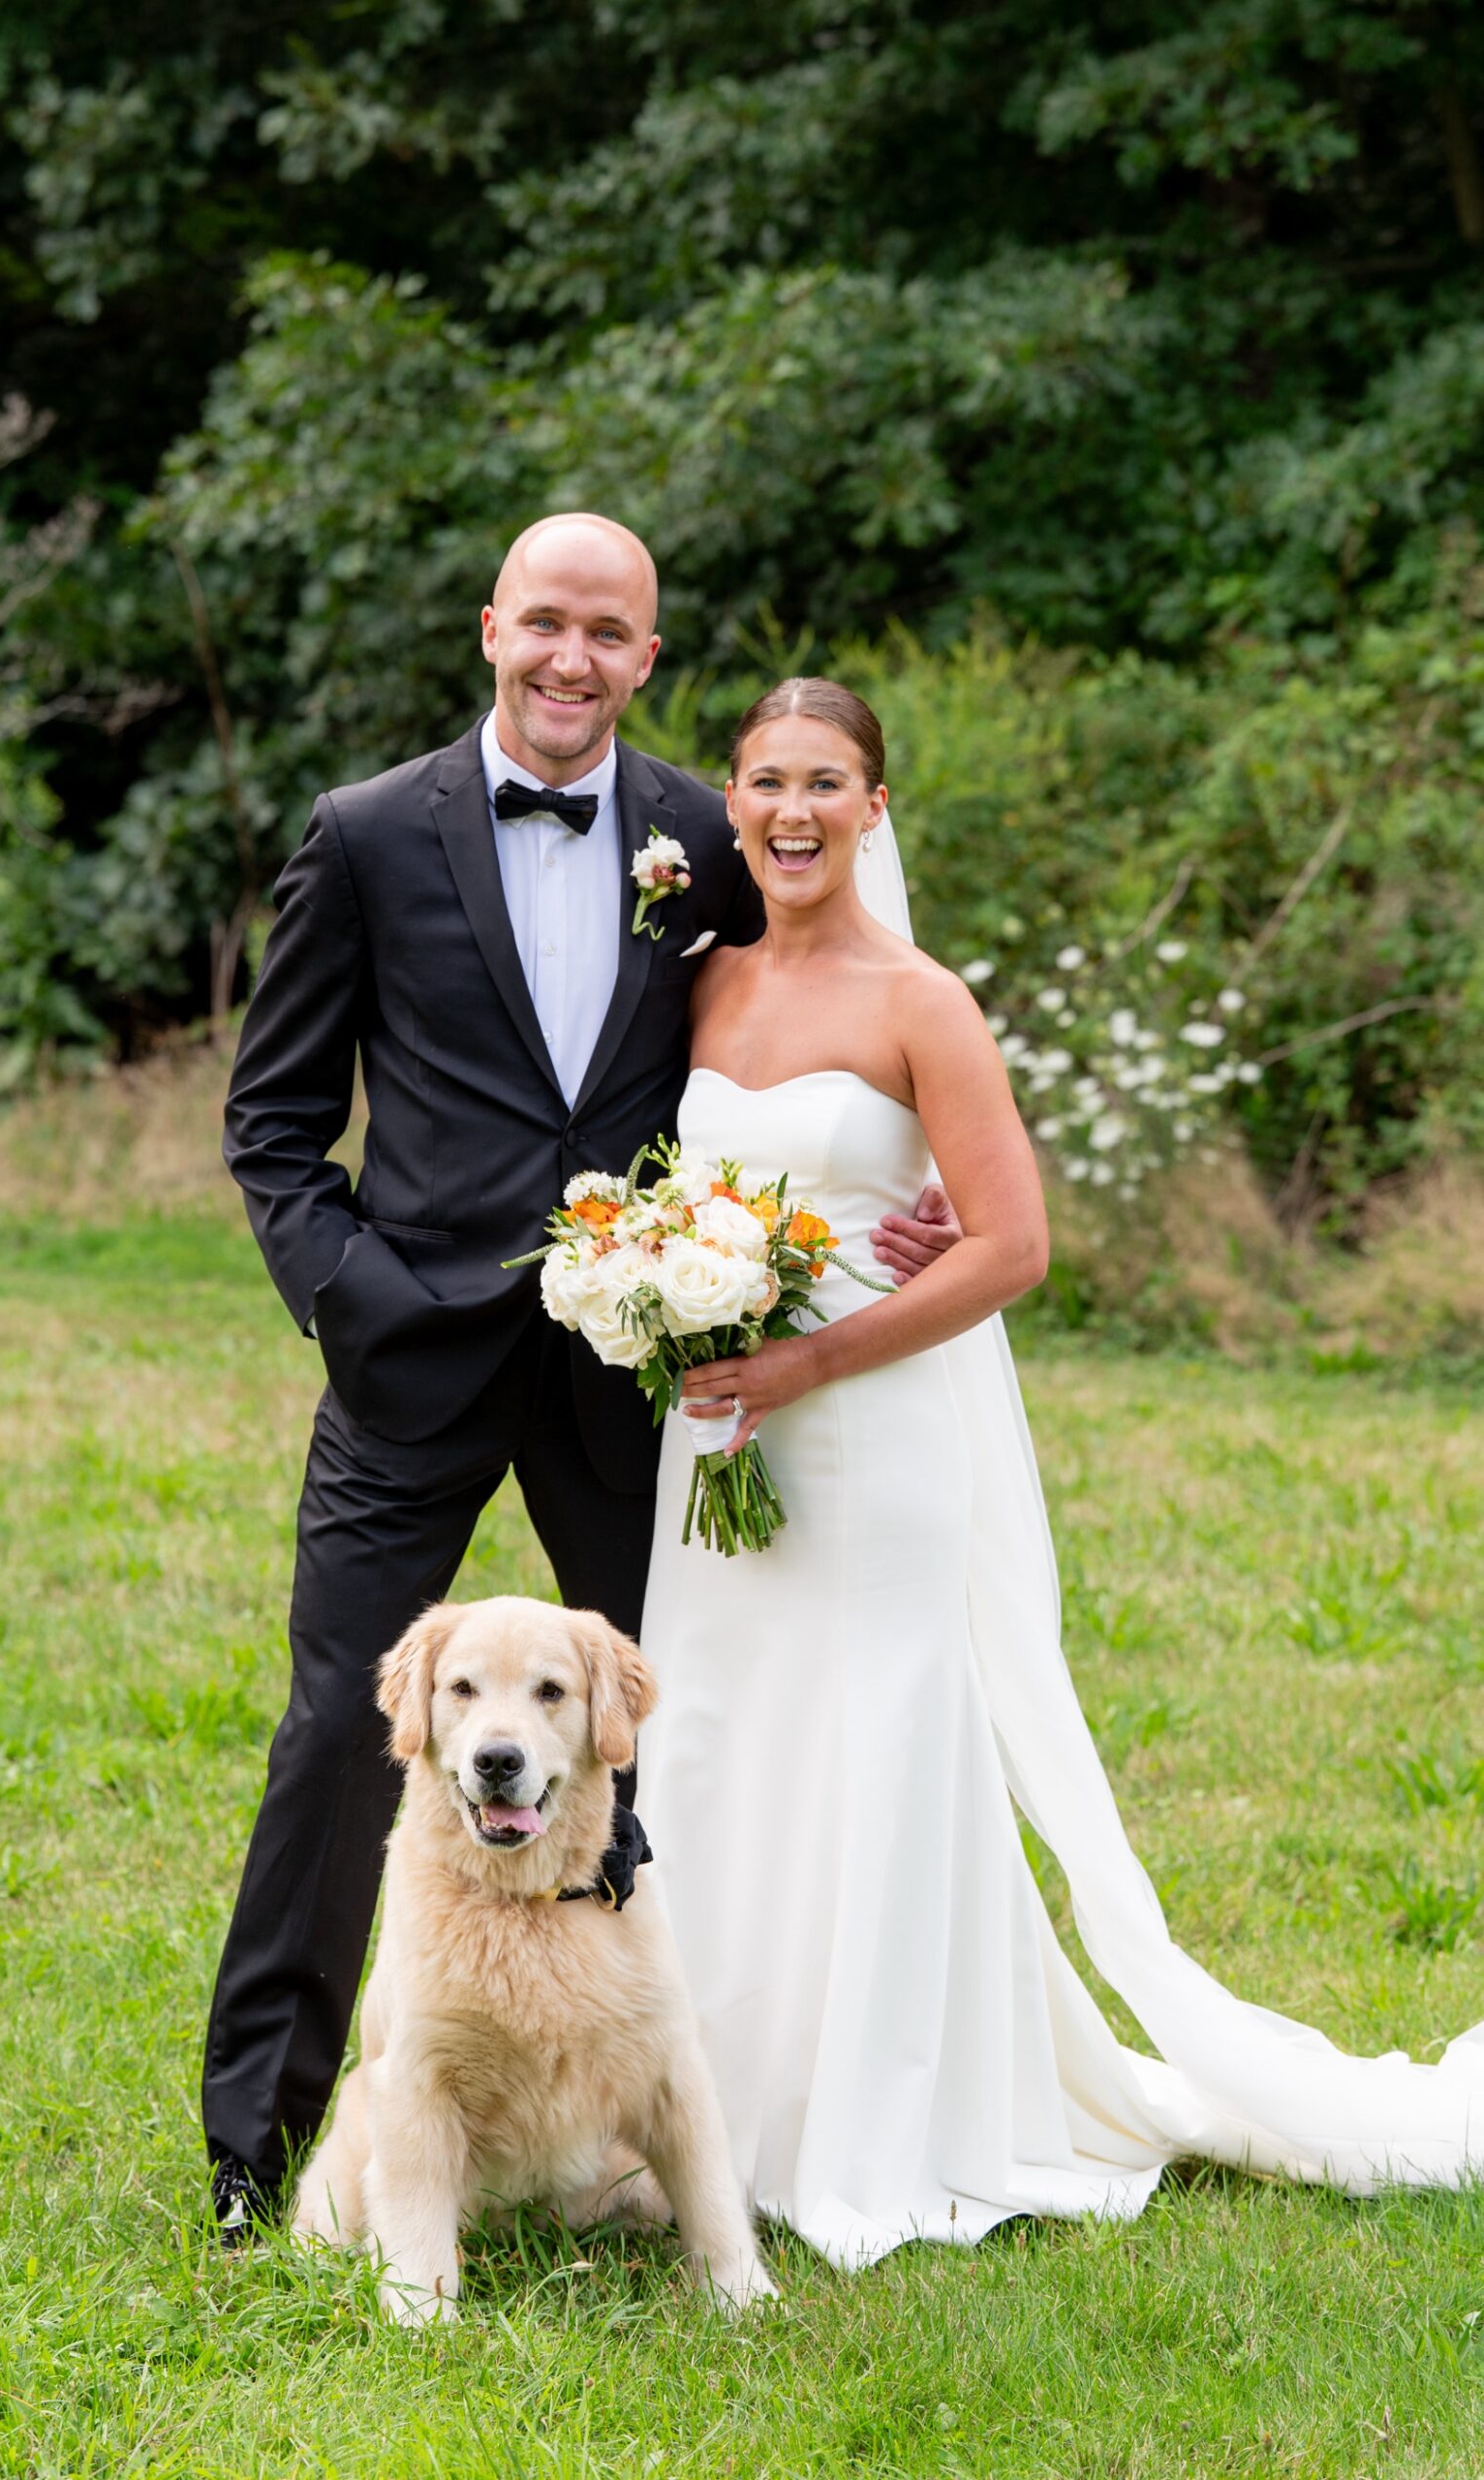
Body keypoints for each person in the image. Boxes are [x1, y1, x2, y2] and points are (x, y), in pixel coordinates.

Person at [632, 673, 1484, 2268]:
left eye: (827, 782)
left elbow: (1011, 1242)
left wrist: (810, 1355)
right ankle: (701, 2112)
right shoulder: (699, 981)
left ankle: (879, 2124)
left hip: (867, 1431)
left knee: (874, 1740)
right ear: (729, 804)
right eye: (765, 782)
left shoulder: (919, 1000)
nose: (794, 811)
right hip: (713, 1437)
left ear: (874, 808)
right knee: (720, 1739)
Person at [203, 521, 957, 2239]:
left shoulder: (706, 826)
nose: (570, 657)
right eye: (543, 622)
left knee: (646, 1726)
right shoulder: (369, 834)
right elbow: (271, 1125)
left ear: (644, 655)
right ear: (491, 629)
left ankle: (644, 2130)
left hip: (638, 1377)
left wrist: (889, 1195)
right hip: (411, 1362)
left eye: (605, 633)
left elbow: (818, 1007)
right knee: (344, 1731)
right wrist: (357, 1297)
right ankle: (264, 2145)